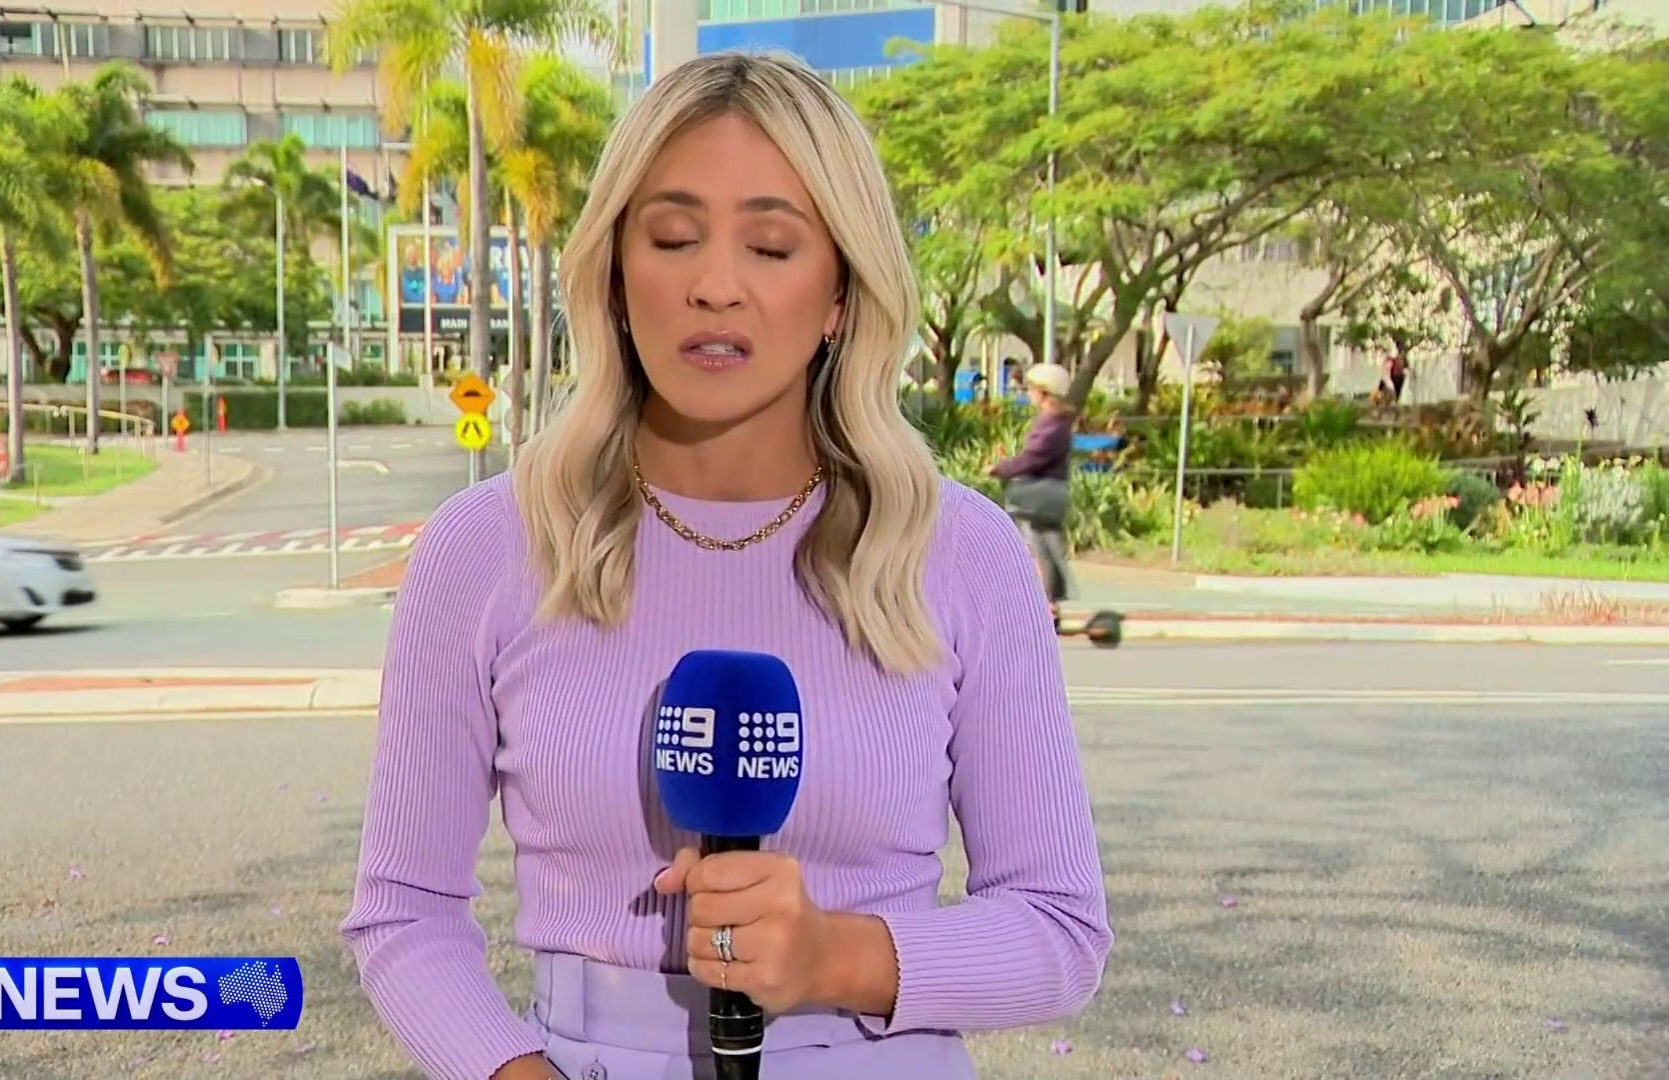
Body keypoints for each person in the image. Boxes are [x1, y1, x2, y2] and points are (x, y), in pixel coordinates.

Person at [340, 52, 1111, 1080]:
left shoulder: (962, 552)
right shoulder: (487, 546)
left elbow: (1060, 929)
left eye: (772, 245)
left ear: (841, 292)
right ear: (616, 275)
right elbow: (404, 913)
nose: (715, 286)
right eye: (672, 238)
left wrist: (837, 955)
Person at [990, 363, 1078, 630]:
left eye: (1032, 388)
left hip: (1040, 495)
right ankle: (1049, 607)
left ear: (1044, 391)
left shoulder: (1053, 423)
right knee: (1044, 548)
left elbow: (1034, 457)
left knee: (1038, 550)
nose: (1029, 392)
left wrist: (1001, 468)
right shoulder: (1056, 421)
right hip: (1046, 493)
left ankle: (1047, 608)